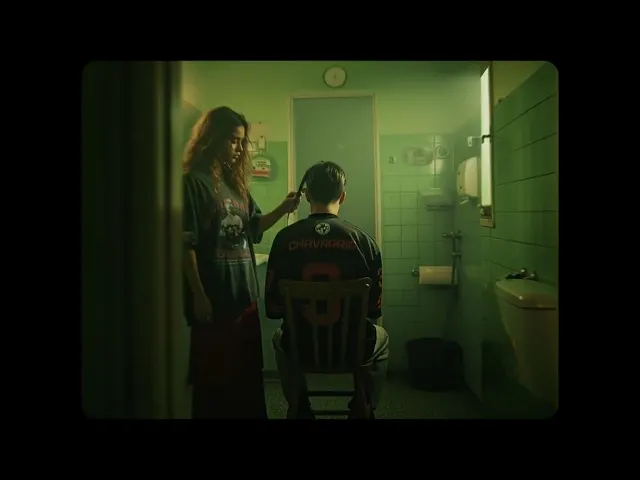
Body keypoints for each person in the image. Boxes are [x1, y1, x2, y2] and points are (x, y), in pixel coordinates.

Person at [182, 106, 300, 419]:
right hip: (215, 300)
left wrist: (283, 208)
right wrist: (198, 295)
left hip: (245, 299)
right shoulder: (193, 183)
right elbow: (186, 245)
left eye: (241, 141)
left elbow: (255, 227)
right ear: (212, 138)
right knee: (214, 383)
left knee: (247, 381)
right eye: (232, 140)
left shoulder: (236, 185)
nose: (238, 148)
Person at [264, 161, 389, 419]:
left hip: (301, 346)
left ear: (307, 195)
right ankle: (364, 403)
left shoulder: (284, 240)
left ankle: (299, 405)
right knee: (382, 337)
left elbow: (274, 309)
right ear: (342, 196)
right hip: (352, 348)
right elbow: (373, 310)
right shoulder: (364, 242)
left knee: (279, 338)